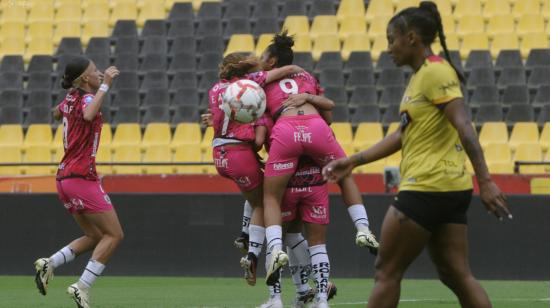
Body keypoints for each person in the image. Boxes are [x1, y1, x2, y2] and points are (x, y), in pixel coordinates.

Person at [322, 2, 512, 308]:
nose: (388, 48)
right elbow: (402, 135)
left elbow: (465, 126)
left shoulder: (436, 72)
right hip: (450, 188)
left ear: (411, 38)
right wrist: (353, 160)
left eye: (391, 39)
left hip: (426, 187)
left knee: (387, 270)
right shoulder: (422, 76)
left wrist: (486, 181)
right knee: (455, 272)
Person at [259, 32, 379, 286]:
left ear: (271, 62)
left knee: (271, 197)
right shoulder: (306, 77)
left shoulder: (260, 82)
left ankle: (275, 250)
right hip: (316, 127)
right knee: (344, 175)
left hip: (286, 129)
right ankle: (363, 228)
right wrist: (309, 100)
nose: (259, 62)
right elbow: (329, 116)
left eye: (262, 58)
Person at [207, 53, 305, 286]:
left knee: (254, 192)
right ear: (244, 72)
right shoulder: (248, 86)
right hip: (239, 153)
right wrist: (299, 72)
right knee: (265, 201)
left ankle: (244, 234)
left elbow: (218, 117)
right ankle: (252, 253)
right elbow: (284, 70)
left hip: (219, 155)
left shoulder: (215, 89)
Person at [34, 56, 122, 308]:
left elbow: (57, 112)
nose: (99, 73)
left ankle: (49, 263)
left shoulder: (71, 98)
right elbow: (88, 114)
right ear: (85, 78)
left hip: (64, 177)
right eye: (95, 71)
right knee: (115, 235)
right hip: (81, 176)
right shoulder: (85, 98)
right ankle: (81, 286)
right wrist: (105, 85)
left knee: (94, 234)